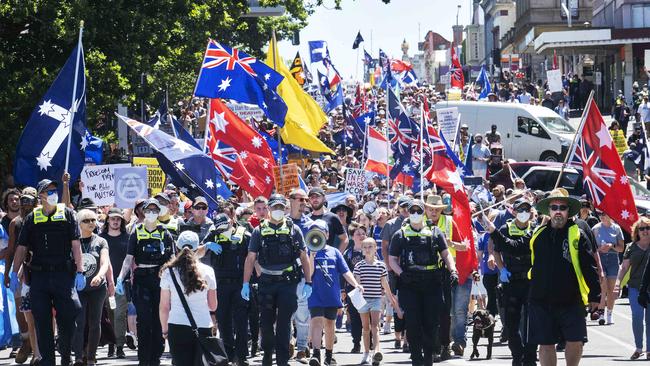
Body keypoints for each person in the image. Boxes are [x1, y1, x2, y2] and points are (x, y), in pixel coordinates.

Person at [9, 179, 86, 366]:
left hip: (63, 275)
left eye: (54, 190)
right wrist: (14, 271)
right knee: (42, 322)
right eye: (48, 191)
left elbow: (76, 245)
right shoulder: (32, 218)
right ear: (40, 195)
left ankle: (66, 354)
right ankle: (48, 361)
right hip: (40, 277)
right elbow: (21, 247)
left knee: (70, 314)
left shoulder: (67, 214)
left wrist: (80, 271)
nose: (53, 193)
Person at [528, 188, 601, 366]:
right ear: (549, 211)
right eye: (554, 207)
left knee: (575, 340)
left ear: (568, 211)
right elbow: (530, 263)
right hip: (541, 299)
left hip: (572, 298)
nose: (558, 211)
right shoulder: (538, 235)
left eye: (562, 207)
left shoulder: (578, 234)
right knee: (545, 344)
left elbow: (590, 267)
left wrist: (595, 295)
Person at [241, 194, 312, 366]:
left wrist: (309, 282)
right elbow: (250, 258)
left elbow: (304, 257)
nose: (278, 210)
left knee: (284, 323)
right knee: (266, 322)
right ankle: (267, 356)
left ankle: (282, 360)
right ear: (269, 209)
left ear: (285, 208)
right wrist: (245, 283)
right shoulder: (259, 230)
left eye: (281, 207)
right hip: (266, 282)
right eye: (275, 207)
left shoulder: (294, 229)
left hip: (288, 282)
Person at [389, 199, 459, 366]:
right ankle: (416, 358)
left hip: (431, 283)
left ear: (424, 213)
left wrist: (453, 270)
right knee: (412, 323)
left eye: (418, 211)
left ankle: (428, 357)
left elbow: (446, 254)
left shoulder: (435, 232)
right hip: (409, 284)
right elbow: (392, 259)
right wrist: (401, 273)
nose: (415, 214)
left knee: (431, 323)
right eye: (412, 211)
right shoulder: (400, 234)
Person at [116, 198, 175, 366]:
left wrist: (172, 279)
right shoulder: (137, 231)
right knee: (144, 319)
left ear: (159, 212)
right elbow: (128, 259)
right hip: (141, 278)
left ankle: (155, 357)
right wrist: (121, 277)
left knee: (158, 318)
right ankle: (143, 358)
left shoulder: (165, 232)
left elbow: (171, 259)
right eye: (148, 210)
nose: (151, 213)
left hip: (159, 278)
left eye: (154, 210)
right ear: (143, 211)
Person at [486, 198, 537, 366]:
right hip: (511, 281)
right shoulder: (505, 229)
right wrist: (502, 270)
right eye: (520, 209)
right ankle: (517, 355)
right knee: (511, 324)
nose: (524, 213)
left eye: (527, 210)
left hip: (530, 281)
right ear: (513, 211)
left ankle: (530, 356)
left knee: (532, 322)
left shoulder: (536, 229)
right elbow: (497, 251)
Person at [307, 219, 363, 366]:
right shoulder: (309, 252)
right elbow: (309, 274)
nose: (317, 235)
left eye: (320, 231)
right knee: (316, 322)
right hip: (315, 294)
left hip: (331, 294)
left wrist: (356, 284)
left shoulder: (335, 252)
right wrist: (312, 256)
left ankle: (329, 355)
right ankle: (316, 354)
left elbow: (345, 272)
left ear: (326, 234)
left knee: (330, 325)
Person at [159, 231, 217, 365]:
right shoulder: (208, 271)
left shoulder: (168, 272)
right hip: (203, 325)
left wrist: (164, 330)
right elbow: (213, 306)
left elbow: (164, 306)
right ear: (198, 249)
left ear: (177, 248)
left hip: (177, 325)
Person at [202, 213, 251, 366]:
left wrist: (248, 283)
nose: (222, 231)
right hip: (220, 284)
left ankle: (241, 356)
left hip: (239, 283)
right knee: (223, 321)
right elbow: (197, 252)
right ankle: (228, 354)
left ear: (231, 222)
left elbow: (252, 257)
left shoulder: (245, 234)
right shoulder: (213, 234)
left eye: (224, 227)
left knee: (241, 320)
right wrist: (207, 246)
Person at [3, 187, 39, 365]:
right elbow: (10, 251)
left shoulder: (43, 219)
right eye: (23, 199)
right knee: (21, 311)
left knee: (42, 312)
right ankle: (26, 342)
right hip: (20, 271)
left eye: (29, 199)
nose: (25, 203)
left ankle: (39, 348)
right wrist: (8, 273)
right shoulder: (15, 223)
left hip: (41, 271)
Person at [72, 209, 111, 366]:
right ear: (79, 223)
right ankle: (78, 357)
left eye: (93, 220)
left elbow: (105, 262)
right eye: (86, 220)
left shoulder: (101, 241)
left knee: (95, 323)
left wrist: (100, 275)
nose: (91, 223)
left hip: (97, 288)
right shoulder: (73, 241)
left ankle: (91, 357)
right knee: (79, 322)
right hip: (78, 288)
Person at [354, 237, 398, 365]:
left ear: (375, 248)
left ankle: (377, 351)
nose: (367, 249)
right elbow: (357, 282)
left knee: (375, 325)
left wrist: (391, 298)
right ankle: (366, 353)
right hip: (363, 300)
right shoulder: (359, 266)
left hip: (376, 299)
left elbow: (384, 283)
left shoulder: (381, 265)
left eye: (370, 247)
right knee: (365, 327)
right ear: (362, 249)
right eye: (365, 247)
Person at [616, 217, 650, 360]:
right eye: (641, 229)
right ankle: (638, 348)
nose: (645, 231)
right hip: (635, 287)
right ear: (637, 231)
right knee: (637, 317)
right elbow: (624, 268)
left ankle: (649, 350)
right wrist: (618, 283)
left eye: (647, 228)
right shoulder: (631, 247)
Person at [100, 208, 129, 359]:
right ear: (108, 221)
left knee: (119, 315)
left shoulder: (128, 237)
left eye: (118, 219)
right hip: (104, 284)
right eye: (112, 219)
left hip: (121, 283)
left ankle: (119, 346)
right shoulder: (100, 238)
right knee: (109, 315)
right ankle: (111, 343)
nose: (115, 221)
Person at [288, 188, 313, 363]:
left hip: (305, 275)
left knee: (303, 315)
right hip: (286, 275)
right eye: (300, 199)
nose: (304, 202)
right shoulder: (282, 222)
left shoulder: (311, 225)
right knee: (285, 312)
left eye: (306, 199)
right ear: (291, 200)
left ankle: (302, 348)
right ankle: (288, 341)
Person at [592, 210, 624, 325]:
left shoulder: (616, 228)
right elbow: (592, 247)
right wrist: (600, 248)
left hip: (612, 259)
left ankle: (609, 313)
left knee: (611, 289)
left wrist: (612, 246)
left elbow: (621, 248)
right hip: (600, 258)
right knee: (602, 286)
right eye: (600, 214)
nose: (602, 216)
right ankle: (601, 313)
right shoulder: (595, 228)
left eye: (604, 214)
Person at [343, 222, 366, 354]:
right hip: (353, 291)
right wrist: (342, 290)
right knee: (355, 317)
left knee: (368, 318)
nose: (361, 236)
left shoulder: (371, 250)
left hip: (369, 289)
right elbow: (343, 272)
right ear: (352, 237)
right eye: (358, 234)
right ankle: (356, 343)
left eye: (363, 233)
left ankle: (371, 343)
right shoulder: (348, 254)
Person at [308, 187, 348, 252]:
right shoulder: (306, 219)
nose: (315, 199)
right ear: (309, 200)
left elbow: (345, 239)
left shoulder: (332, 217)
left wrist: (336, 256)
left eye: (317, 196)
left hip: (326, 258)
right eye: (312, 197)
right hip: (310, 258)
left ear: (324, 198)